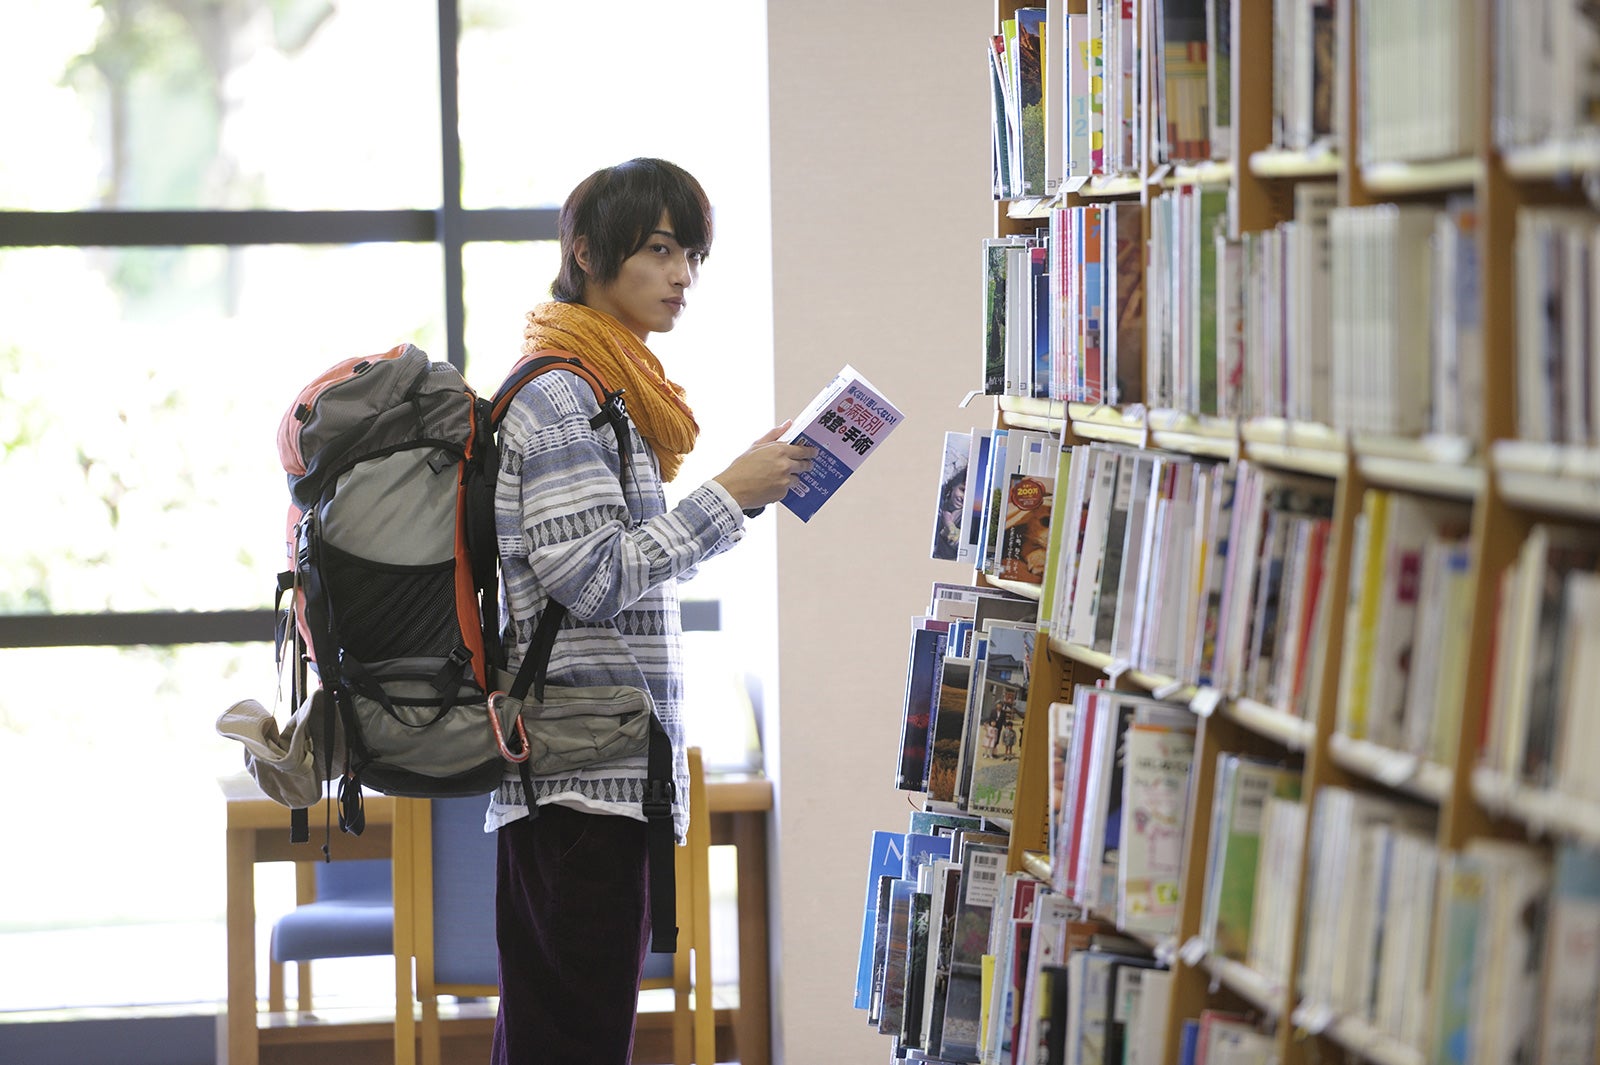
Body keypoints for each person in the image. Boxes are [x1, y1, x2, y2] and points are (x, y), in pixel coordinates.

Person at [487, 157, 813, 1063]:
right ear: (588, 255)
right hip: (578, 781)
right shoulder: (563, 397)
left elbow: (607, 570)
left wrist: (738, 494)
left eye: (692, 255)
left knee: (560, 1038)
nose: (683, 275)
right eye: (661, 250)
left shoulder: (608, 391)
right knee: (573, 1041)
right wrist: (728, 495)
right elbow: (593, 578)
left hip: (597, 773)